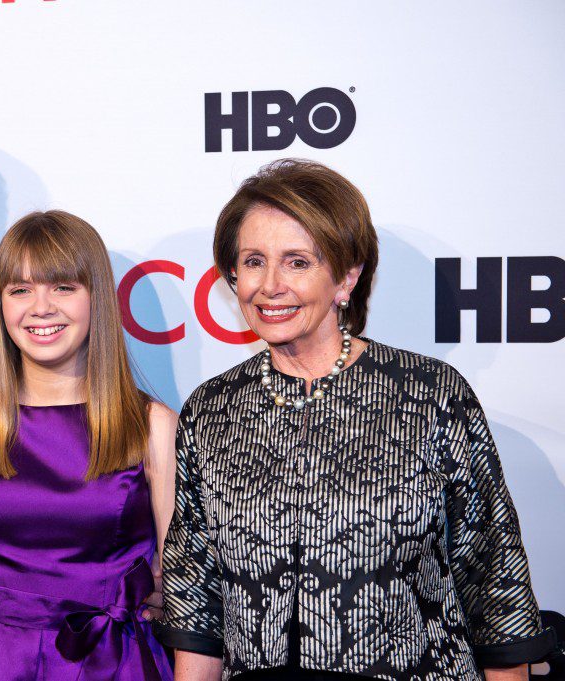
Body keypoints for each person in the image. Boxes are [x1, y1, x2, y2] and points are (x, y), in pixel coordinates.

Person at [158, 159, 556, 681]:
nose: (270, 285)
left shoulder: (429, 394)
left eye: (298, 262)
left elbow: (493, 581)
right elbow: (197, 605)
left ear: (346, 277)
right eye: (253, 261)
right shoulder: (213, 409)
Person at [0, 210, 177, 680]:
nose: (41, 307)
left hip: (114, 665)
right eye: (20, 290)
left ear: (97, 299)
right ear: (0, 305)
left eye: (63, 287)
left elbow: (183, 594)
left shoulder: (153, 427)